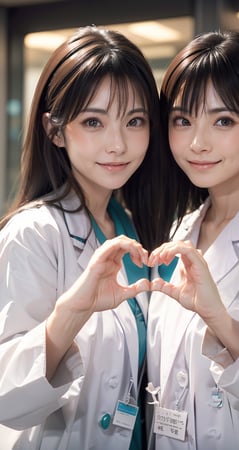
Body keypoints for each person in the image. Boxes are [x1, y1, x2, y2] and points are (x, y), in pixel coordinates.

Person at [0, 25, 164, 450]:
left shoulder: (129, 225)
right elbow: (6, 395)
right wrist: (73, 310)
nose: (118, 143)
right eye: (93, 121)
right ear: (55, 131)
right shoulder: (33, 234)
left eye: (135, 121)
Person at [147, 30, 239, 449]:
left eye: (223, 120)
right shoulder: (178, 232)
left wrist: (221, 321)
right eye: (182, 120)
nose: (197, 142)